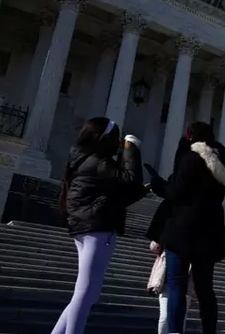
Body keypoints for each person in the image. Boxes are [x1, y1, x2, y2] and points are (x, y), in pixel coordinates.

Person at [50, 117, 144, 334]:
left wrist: (140, 191)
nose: (118, 142)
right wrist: (130, 149)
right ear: (105, 138)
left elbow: (117, 193)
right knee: (85, 293)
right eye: (116, 137)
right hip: (97, 226)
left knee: (86, 293)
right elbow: (130, 179)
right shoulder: (99, 162)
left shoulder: (86, 160)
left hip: (85, 224)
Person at [150, 121, 225, 334]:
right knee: (205, 290)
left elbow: (176, 192)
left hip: (183, 229)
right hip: (209, 231)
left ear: (191, 136)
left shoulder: (192, 158)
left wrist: (157, 183)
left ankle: (174, 332)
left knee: (176, 287)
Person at [147, 241, 193, 334]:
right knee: (164, 316)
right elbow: (153, 247)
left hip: (185, 283)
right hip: (166, 282)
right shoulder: (170, 231)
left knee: (180, 317)